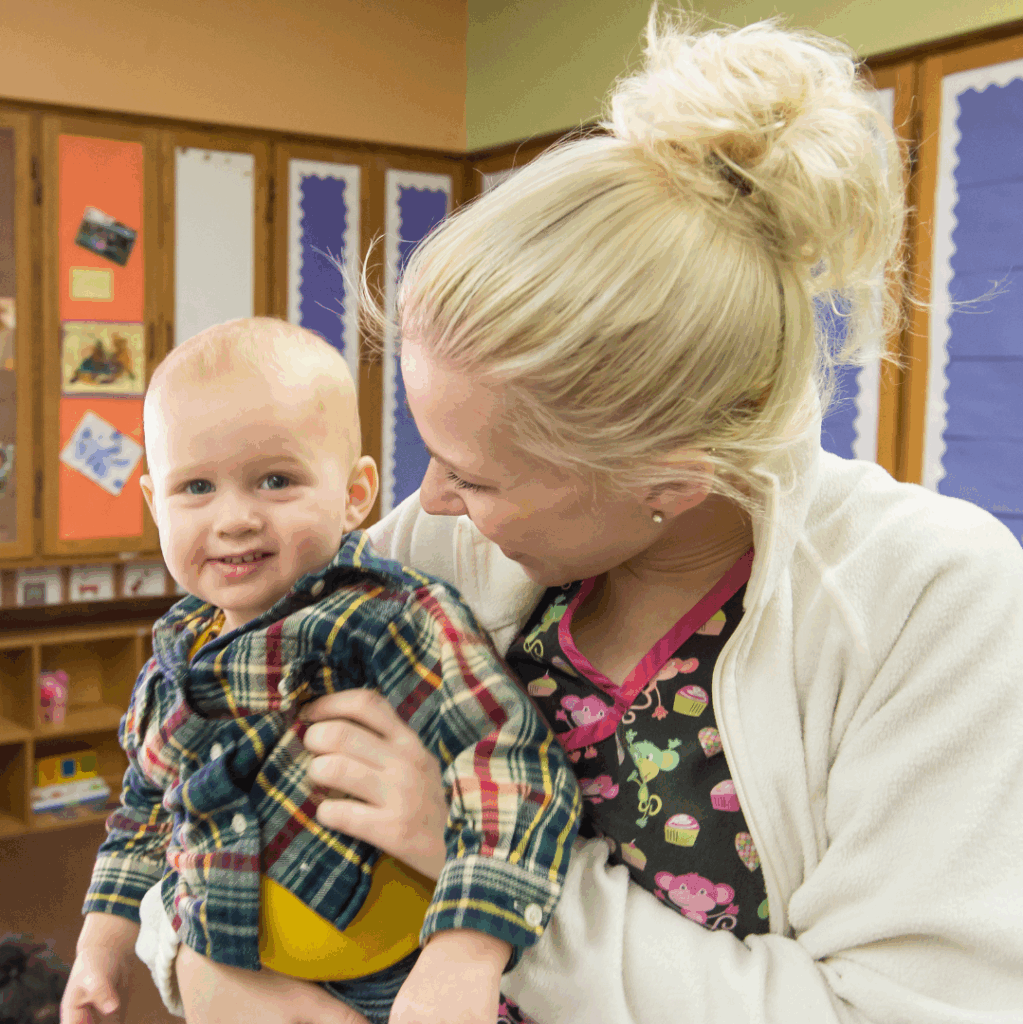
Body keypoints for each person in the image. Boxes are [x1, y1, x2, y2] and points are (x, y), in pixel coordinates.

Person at [138, 8, 1023, 1024]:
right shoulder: (439, 547)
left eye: (477, 474)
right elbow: (193, 754)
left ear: (669, 483)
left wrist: (478, 859)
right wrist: (196, 963)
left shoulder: (921, 600)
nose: (430, 500)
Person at [59, 318, 581, 1024]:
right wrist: (101, 944)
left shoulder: (386, 618)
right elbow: (146, 813)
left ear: (355, 493)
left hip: (397, 979)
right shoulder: (171, 661)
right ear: (155, 504)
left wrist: (468, 947)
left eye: (276, 480)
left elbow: (507, 766)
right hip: (238, 966)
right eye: (196, 487)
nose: (235, 518)